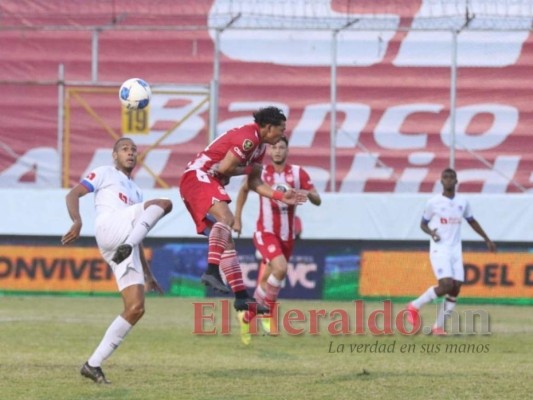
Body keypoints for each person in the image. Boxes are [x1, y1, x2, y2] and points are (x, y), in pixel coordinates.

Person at [61, 137, 173, 384]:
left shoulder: (136, 191)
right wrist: (78, 221)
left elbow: (138, 233)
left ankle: (93, 365)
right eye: (124, 149)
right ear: (114, 155)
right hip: (109, 229)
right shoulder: (104, 173)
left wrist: (148, 274)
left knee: (136, 309)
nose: (130, 153)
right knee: (164, 203)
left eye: (134, 150)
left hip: (124, 243)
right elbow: (73, 194)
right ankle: (127, 246)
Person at [179, 106, 308, 315]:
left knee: (227, 242)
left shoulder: (260, 147)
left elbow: (254, 183)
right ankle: (211, 271)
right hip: (198, 176)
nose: (283, 134)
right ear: (268, 127)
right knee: (227, 218)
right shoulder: (248, 138)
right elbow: (224, 168)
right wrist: (249, 169)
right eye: (281, 129)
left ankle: (241, 297)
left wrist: (280, 195)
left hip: (205, 181)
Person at [233, 136, 321, 343]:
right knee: (280, 268)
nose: (277, 151)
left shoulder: (298, 173)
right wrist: (237, 219)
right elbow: (243, 190)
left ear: (287, 150)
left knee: (268, 280)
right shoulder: (260, 172)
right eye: (274, 147)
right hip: (265, 232)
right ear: (269, 151)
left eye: (282, 147)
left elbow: (318, 200)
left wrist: (307, 193)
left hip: (287, 236)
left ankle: (246, 316)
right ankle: (266, 312)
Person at [406, 168, 496, 335]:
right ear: (441, 181)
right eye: (445, 177)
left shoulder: (463, 202)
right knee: (446, 285)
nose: (448, 180)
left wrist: (487, 239)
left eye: (451, 177)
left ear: (456, 181)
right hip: (440, 249)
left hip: (455, 250)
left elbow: (471, 220)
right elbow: (423, 224)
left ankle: (438, 327)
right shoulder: (433, 202)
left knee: (456, 288)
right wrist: (431, 232)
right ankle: (413, 306)